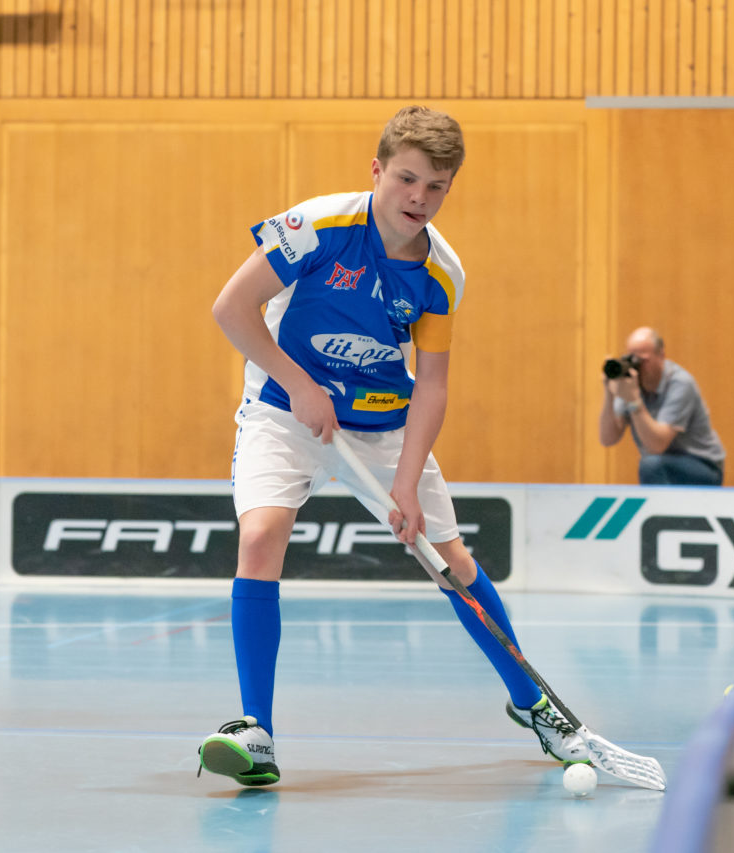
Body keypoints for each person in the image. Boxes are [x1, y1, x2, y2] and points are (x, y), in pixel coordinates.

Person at [196, 106, 589, 787]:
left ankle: (532, 702)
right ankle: (255, 730)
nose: (419, 198)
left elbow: (432, 385)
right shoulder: (316, 226)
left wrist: (406, 482)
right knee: (261, 536)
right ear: (376, 170)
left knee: (450, 561)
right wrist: (300, 385)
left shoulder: (441, 274)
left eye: (436, 187)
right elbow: (232, 308)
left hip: (381, 422)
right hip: (285, 410)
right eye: (406, 179)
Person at [598, 326, 726, 486]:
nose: (636, 366)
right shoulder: (631, 383)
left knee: (651, 464)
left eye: (642, 360)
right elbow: (607, 439)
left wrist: (634, 401)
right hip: (662, 463)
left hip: (703, 465)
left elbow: (656, 446)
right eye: (631, 358)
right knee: (652, 464)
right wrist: (609, 393)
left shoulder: (680, 383)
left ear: (661, 356)